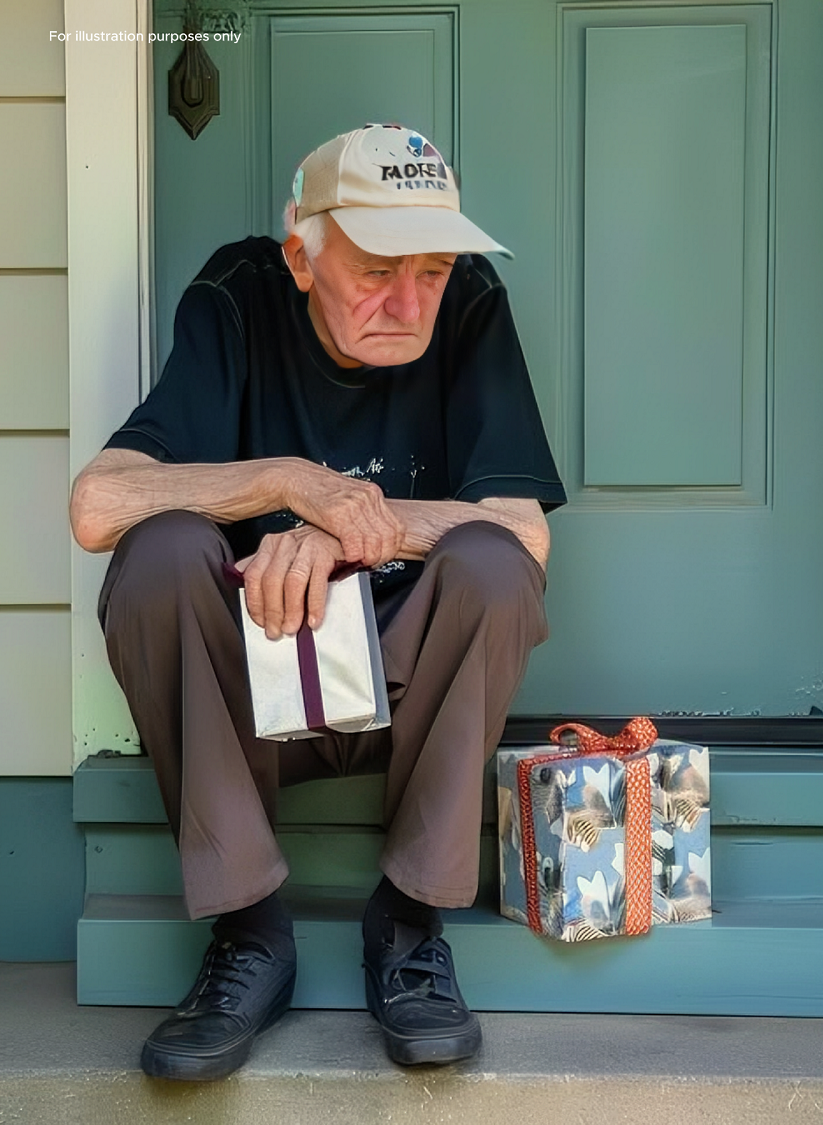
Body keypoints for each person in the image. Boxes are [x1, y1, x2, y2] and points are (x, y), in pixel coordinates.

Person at [70, 124, 566, 1081]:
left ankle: (410, 923)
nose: (411, 300)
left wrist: (346, 526)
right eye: (380, 268)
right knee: (158, 550)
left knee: (498, 567)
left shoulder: (465, 303)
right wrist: (290, 483)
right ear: (303, 256)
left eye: (432, 269)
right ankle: (250, 932)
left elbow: (524, 532)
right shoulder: (241, 296)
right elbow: (99, 504)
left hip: (402, 684)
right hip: (255, 692)